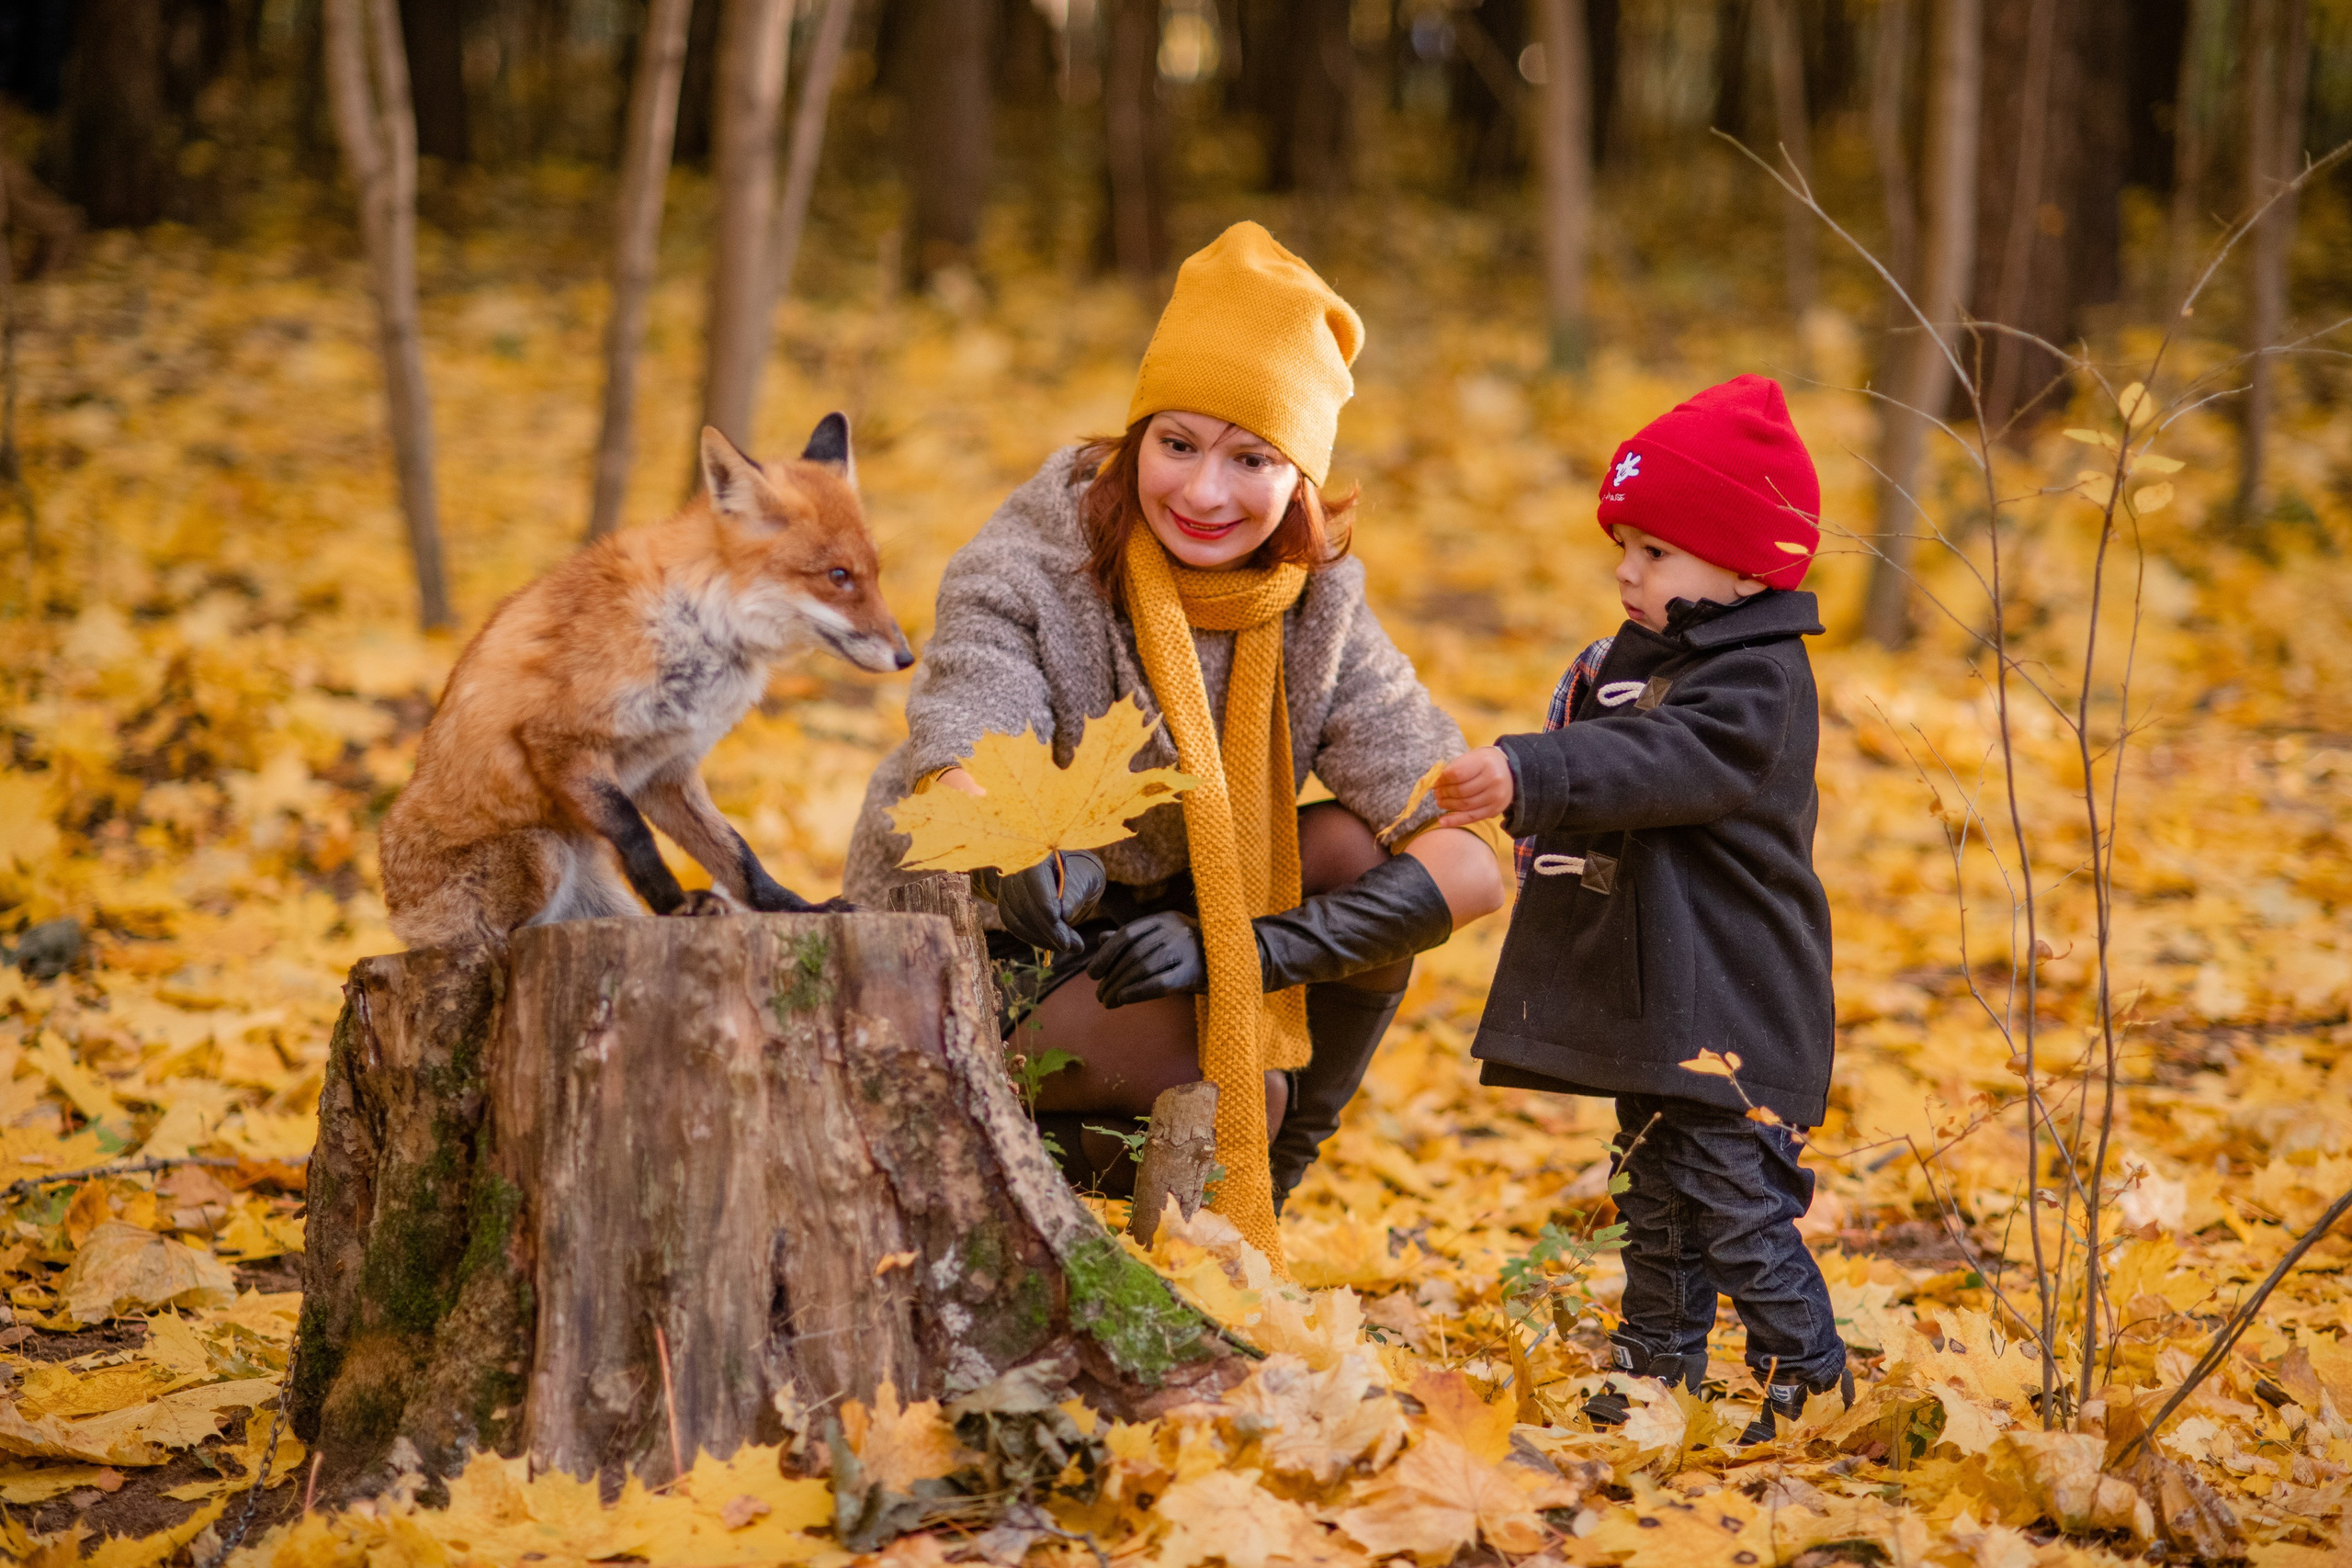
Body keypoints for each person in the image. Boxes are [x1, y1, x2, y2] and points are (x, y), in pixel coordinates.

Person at [846, 222, 1507, 1263]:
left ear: (1300, 476)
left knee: (1346, 855)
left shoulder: (1315, 600)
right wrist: (1021, 849)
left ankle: (1265, 1185)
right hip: (976, 949)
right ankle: (946, 1149)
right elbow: (961, 746)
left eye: (1251, 458)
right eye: (1177, 444)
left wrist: (1236, 952)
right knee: (1253, 1080)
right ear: (1137, 437)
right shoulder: (1031, 562)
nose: (1203, 493)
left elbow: (1468, 862)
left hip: (1169, 935)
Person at [1430, 375, 1849, 1445]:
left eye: (1653, 552)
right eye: (1623, 545)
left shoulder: (1756, 680)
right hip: (1669, 1002)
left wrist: (1533, 771)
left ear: (1747, 563)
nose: (1625, 571)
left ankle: (1810, 1375)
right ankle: (1658, 1371)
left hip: (1738, 1004)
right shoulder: (1665, 657)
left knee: (1736, 1204)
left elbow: (1664, 760)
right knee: (1654, 1198)